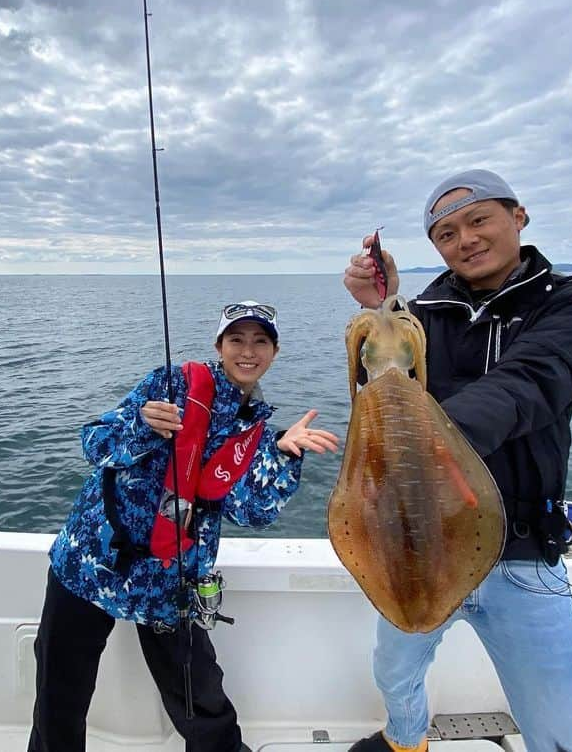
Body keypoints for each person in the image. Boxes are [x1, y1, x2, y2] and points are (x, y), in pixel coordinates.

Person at [342, 169, 572, 752]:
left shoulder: (571, 307)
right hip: (417, 545)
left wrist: (413, 432)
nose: (465, 239)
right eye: (446, 233)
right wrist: (382, 313)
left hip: (524, 559)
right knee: (395, 670)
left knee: (561, 724)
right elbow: (387, 379)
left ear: (518, 216)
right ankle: (406, 739)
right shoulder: (424, 316)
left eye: (478, 220)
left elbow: (529, 386)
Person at [28, 300, 339, 752]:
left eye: (260, 341)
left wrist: (285, 455)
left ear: (274, 352)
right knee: (60, 693)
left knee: (201, 700)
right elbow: (95, 443)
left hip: (169, 581)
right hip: (90, 563)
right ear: (219, 345)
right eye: (237, 339)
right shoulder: (171, 383)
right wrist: (141, 424)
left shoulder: (256, 429)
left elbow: (252, 512)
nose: (247, 350)